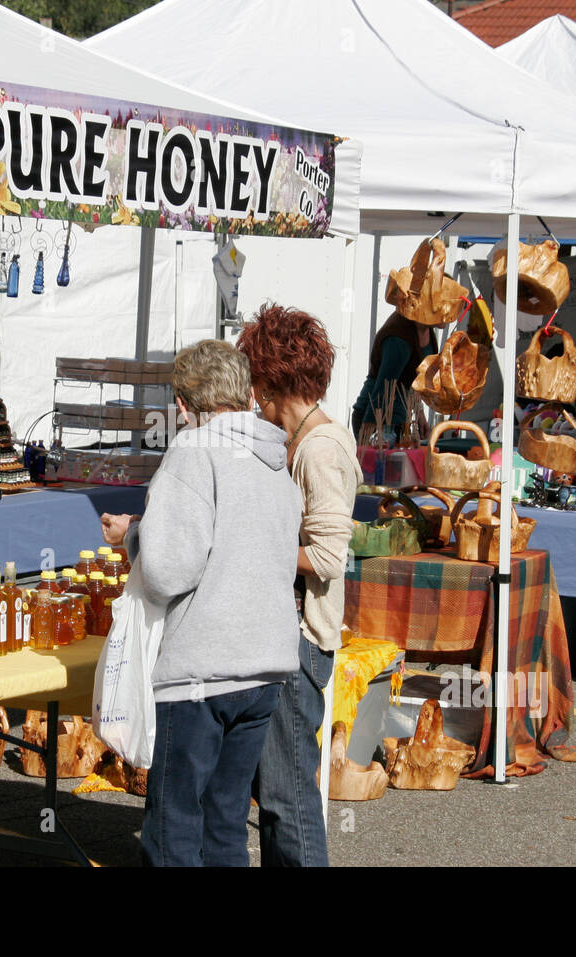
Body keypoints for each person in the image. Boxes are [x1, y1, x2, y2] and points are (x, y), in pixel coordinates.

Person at [100, 339, 302, 867]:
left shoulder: (192, 451)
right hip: (265, 667)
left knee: (173, 830)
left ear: (185, 404)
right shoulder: (275, 459)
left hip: (202, 674)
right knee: (226, 825)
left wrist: (133, 538)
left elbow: (167, 574)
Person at [238, 303, 361, 867]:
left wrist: (250, 547)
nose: (253, 395)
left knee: (289, 797)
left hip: (300, 642)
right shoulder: (296, 439)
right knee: (276, 792)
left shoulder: (319, 448)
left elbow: (330, 556)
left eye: (256, 381)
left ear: (274, 378)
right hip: (279, 635)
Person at [351, 310, 437, 443]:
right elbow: (382, 390)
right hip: (374, 419)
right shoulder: (399, 338)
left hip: (397, 421)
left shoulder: (427, 331)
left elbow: (413, 378)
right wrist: (365, 440)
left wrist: (420, 414)